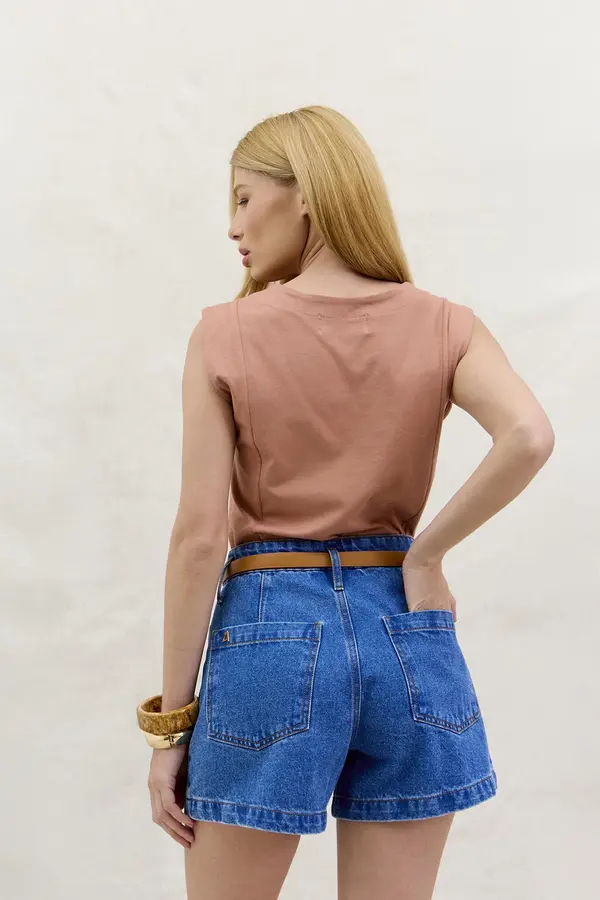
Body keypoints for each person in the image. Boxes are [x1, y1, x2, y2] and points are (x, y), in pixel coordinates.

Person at [137, 105, 555, 899]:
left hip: (270, 634)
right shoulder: (446, 325)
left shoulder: (225, 334)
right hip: (409, 632)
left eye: (243, 197)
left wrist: (170, 727)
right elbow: (529, 435)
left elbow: (198, 540)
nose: (233, 226)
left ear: (305, 193)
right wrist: (426, 555)